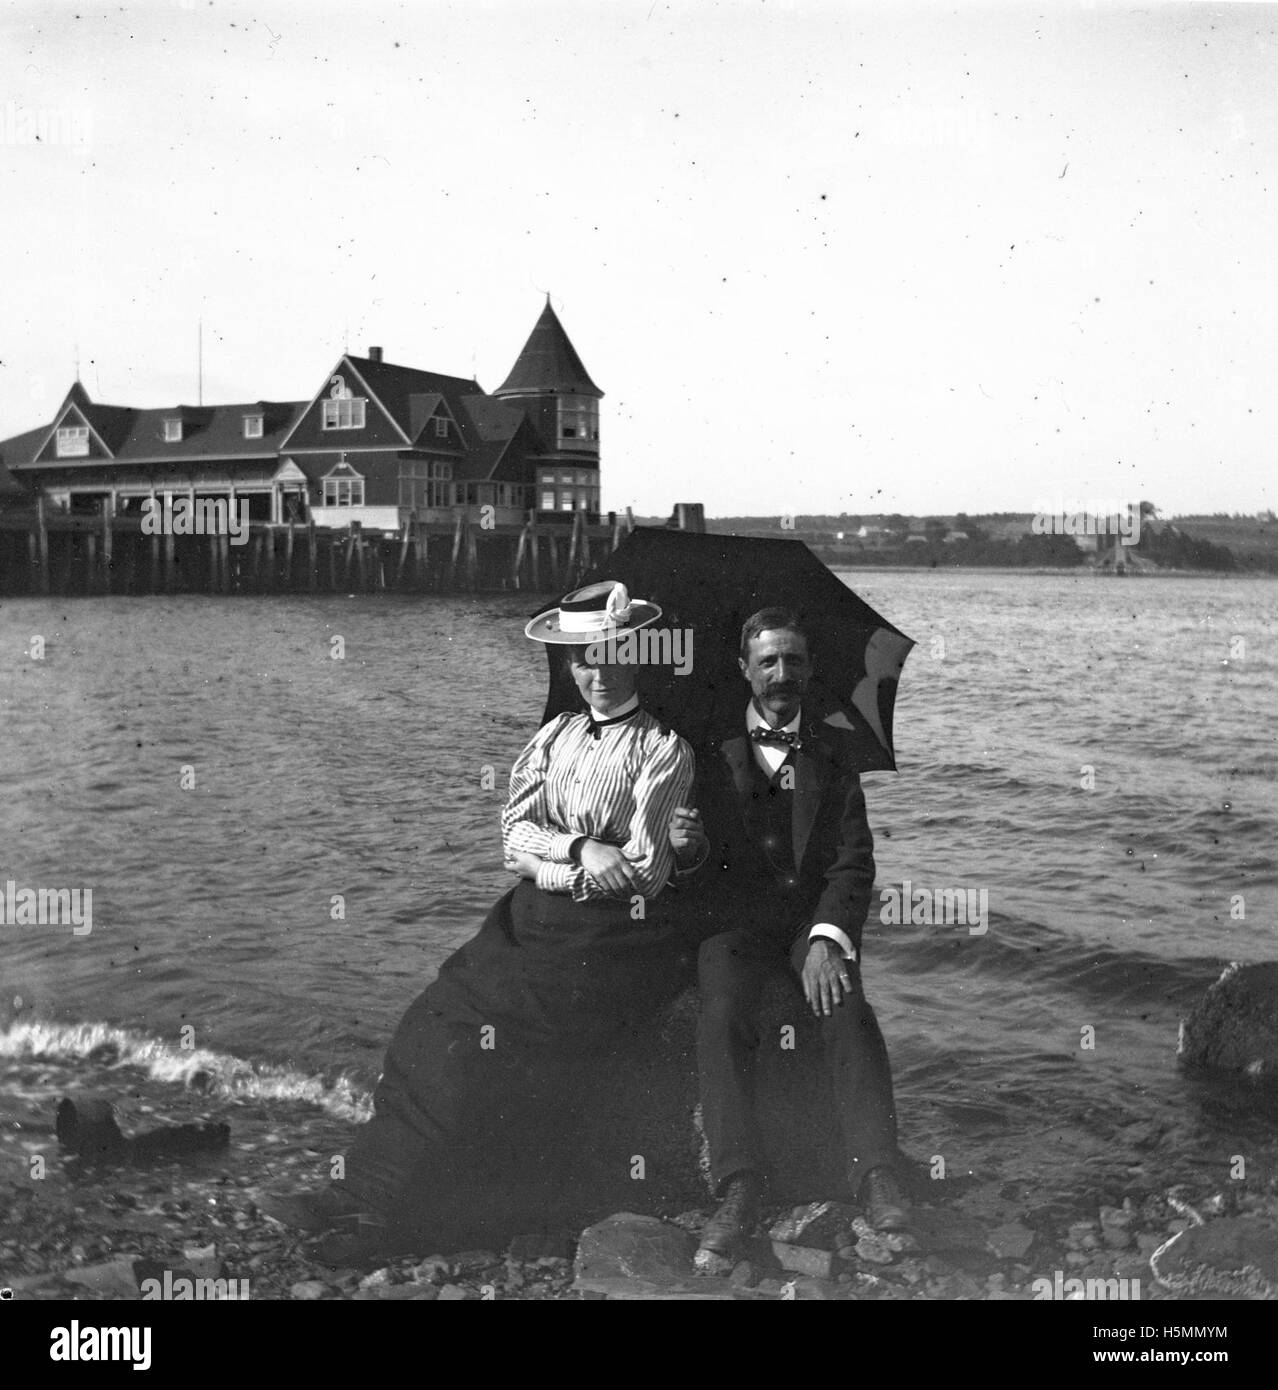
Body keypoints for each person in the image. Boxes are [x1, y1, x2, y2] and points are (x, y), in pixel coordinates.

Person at [264, 580, 705, 1263]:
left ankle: (388, 1222)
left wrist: (555, 861)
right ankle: (349, 1189)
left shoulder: (663, 750)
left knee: (470, 1056)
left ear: (634, 655)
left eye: (606, 654)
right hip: (529, 924)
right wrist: (580, 848)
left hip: (608, 939)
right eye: (580, 659)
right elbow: (512, 839)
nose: (593, 671)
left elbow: (644, 873)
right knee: (428, 1025)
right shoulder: (553, 738)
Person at [686, 606, 910, 1260]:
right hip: (732, 927)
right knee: (722, 1011)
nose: (782, 673)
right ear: (744, 670)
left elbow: (853, 860)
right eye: (768, 661)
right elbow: (686, 869)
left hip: (807, 925)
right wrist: (690, 847)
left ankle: (876, 1173)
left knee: (844, 1006)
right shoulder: (704, 750)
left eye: (794, 661)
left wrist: (826, 938)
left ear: (809, 669)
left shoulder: (836, 752)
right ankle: (738, 1185)